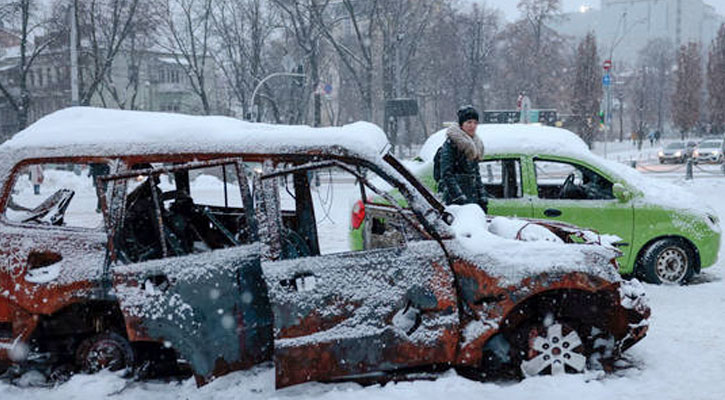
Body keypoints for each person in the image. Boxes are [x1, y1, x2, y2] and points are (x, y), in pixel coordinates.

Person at [437, 105, 488, 212]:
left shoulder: (475, 144)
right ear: (461, 124)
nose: (472, 126)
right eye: (469, 122)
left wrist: (483, 197)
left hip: (472, 200)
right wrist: (460, 197)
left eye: (475, 123)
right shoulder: (451, 144)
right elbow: (447, 174)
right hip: (456, 203)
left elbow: (476, 174)